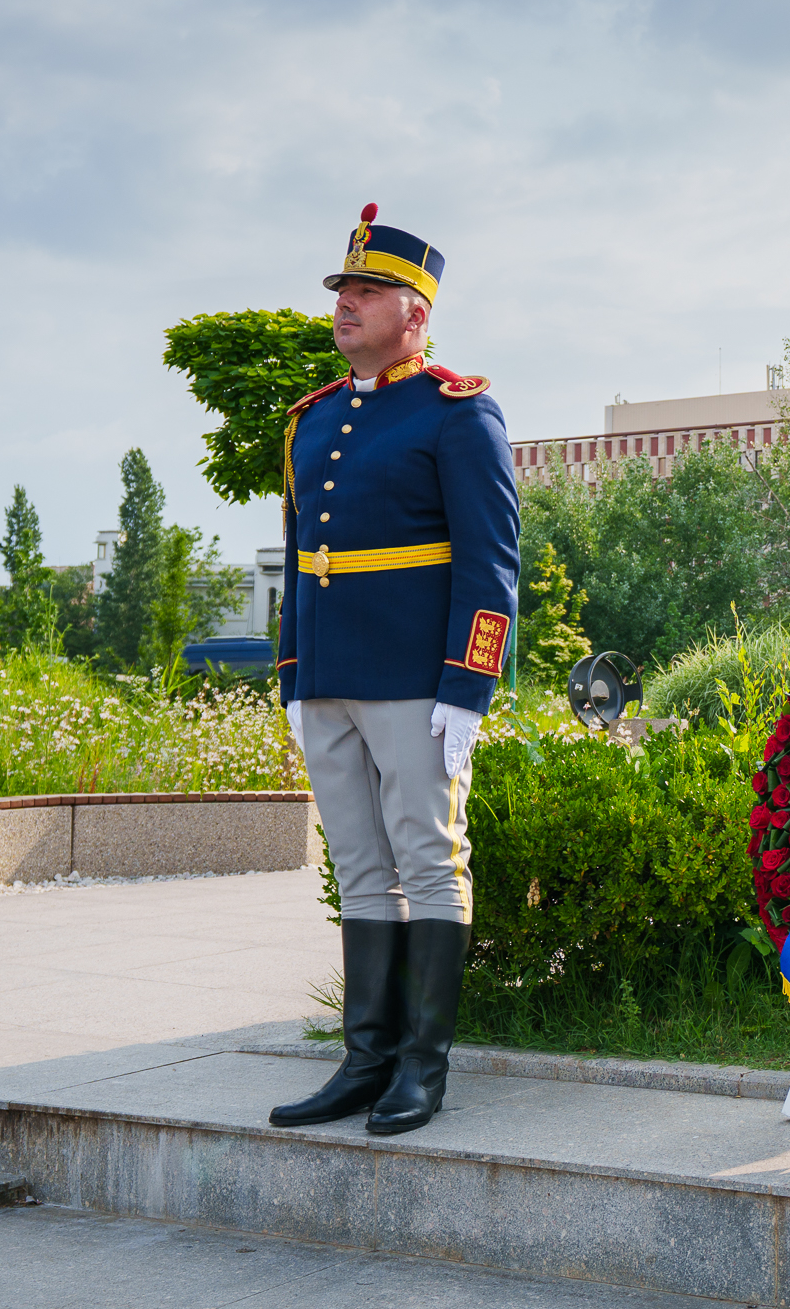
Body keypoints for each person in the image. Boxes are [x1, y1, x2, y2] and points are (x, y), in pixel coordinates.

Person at [267, 204, 519, 1137]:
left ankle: (424, 1067)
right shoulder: (314, 419)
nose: (347, 305)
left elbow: (492, 562)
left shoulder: (457, 411)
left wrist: (468, 686)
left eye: (367, 292)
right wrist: (295, 677)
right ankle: (364, 1060)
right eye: (343, 290)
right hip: (330, 677)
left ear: (416, 314)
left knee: (428, 857)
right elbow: (300, 558)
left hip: (418, 680)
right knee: (361, 865)